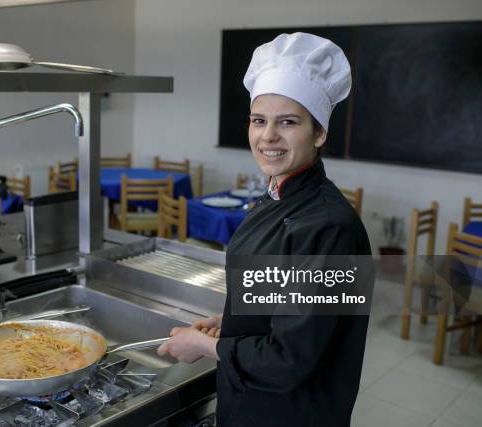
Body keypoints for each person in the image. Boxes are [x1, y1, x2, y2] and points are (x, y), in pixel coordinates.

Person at [157, 33, 372, 426]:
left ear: (319, 132)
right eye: (259, 121)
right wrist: (232, 322)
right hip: (250, 401)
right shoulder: (275, 198)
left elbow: (291, 358)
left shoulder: (329, 228)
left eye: (287, 122)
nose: (268, 136)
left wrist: (206, 346)